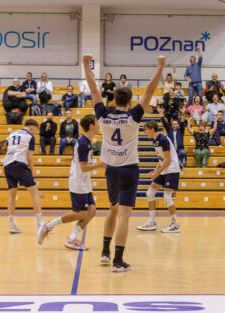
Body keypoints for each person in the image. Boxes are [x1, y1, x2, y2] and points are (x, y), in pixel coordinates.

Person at [83, 53, 165, 272]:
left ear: (113, 101)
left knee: (112, 208)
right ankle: (118, 261)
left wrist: (85, 65)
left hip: (111, 169)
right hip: (129, 169)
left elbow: (93, 89)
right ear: (129, 102)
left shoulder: (102, 115)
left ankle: (105, 252)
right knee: (124, 216)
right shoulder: (133, 117)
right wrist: (160, 67)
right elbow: (149, 91)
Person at [37, 115, 106, 249]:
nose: (99, 125)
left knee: (91, 211)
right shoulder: (83, 143)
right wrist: (101, 165)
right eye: (97, 122)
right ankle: (48, 226)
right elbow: (84, 167)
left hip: (84, 182)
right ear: (91, 126)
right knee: (81, 213)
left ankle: (72, 239)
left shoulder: (87, 141)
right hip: (78, 182)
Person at [137, 120, 181, 233]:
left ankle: (175, 224)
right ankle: (151, 223)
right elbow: (161, 159)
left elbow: (168, 160)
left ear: (151, 129)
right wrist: (155, 171)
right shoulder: (155, 140)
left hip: (172, 169)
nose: (144, 132)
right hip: (164, 169)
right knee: (150, 193)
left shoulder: (163, 139)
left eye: (145, 130)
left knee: (167, 197)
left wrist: (157, 173)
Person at [3, 119, 44, 234]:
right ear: (32, 128)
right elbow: (30, 157)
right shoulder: (30, 137)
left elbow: (4, 147)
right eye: (35, 130)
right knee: (34, 193)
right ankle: (41, 224)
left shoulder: (12, 133)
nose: (35, 133)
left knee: (11, 196)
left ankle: (12, 225)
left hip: (7, 164)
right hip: (19, 163)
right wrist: (33, 172)